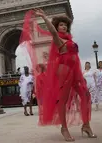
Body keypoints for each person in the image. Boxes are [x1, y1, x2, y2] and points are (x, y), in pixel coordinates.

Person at [20, 9, 96, 141]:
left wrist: (80, 74)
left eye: (65, 24)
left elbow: (75, 57)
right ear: (56, 27)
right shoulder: (58, 39)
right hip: (64, 71)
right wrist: (44, 17)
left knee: (86, 96)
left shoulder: (69, 40)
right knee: (63, 100)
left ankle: (86, 125)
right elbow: (53, 32)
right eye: (61, 24)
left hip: (75, 71)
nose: (64, 26)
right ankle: (64, 128)